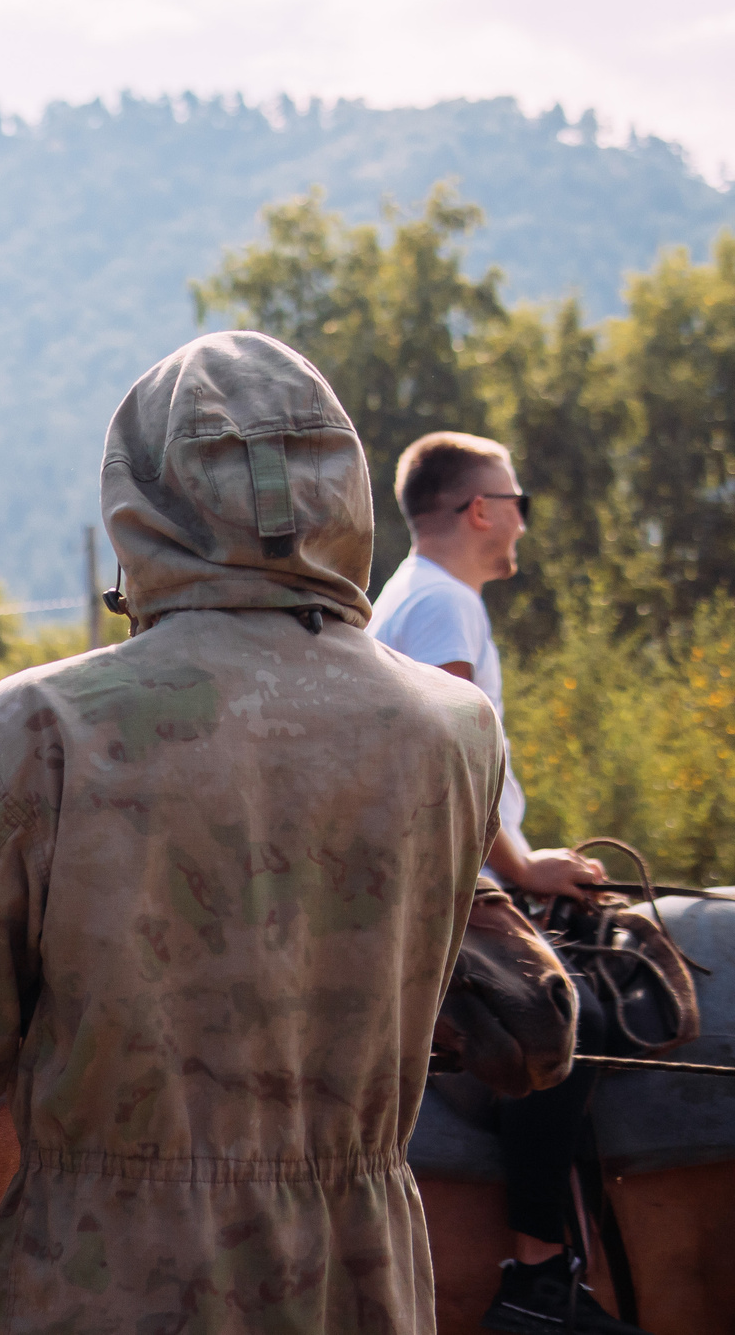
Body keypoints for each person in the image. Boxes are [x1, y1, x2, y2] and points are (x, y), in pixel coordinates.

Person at [0, 331, 504, 1331]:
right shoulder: (456, 730)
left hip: (106, 1289)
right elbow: (530, 1031)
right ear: (343, 490)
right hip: (363, 1290)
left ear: (140, 505)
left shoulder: (41, 725)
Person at [370, 432, 637, 1335]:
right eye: (515, 497)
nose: (522, 514)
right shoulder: (442, 607)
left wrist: (527, 858)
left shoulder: (421, 596)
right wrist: (520, 867)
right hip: (449, 886)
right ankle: (537, 1277)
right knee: (571, 1020)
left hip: (462, 870)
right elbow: (453, 762)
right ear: (480, 509)